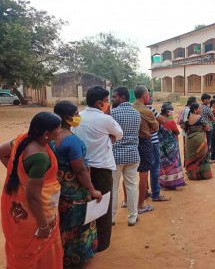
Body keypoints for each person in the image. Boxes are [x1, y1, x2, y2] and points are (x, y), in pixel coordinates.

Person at [0, 112, 63, 268]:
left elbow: (1, 151)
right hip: (36, 215)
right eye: (58, 128)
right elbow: (33, 196)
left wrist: (19, 176)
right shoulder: (39, 157)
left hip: (18, 208)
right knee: (39, 251)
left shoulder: (23, 138)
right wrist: (43, 225)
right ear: (46, 134)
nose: (60, 131)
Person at [51, 101, 102, 266]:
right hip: (74, 191)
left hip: (56, 189)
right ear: (67, 118)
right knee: (78, 222)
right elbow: (80, 170)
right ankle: (75, 258)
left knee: (60, 222)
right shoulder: (72, 141)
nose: (78, 117)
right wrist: (92, 190)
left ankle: (59, 254)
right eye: (76, 114)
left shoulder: (50, 137)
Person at [74, 85, 123, 252]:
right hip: (101, 168)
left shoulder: (78, 116)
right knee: (103, 206)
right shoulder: (105, 119)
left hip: (81, 167)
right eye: (107, 101)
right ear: (99, 103)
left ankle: (84, 241)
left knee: (84, 203)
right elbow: (119, 134)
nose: (108, 104)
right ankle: (102, 242)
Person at [110, 87, 141, 227]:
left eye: (114, 97)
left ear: (122, 97)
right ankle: (133, 217)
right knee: (132, 186)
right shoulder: (136, 114)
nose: (112, 99)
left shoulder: (112, 113)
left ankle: (111, 217)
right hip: (132, 154)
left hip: (115, 156)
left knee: (114, 187)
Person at [133, 85, 159, 214]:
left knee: (130, 174)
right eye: (148, 94)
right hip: (144, 143)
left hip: (132, 143)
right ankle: (140, 204)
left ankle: (128, 201)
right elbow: (155, 127)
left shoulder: (131, 108)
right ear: (144, 96)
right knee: (143, 174)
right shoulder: (146, 111)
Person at [146, 96, 170, 202]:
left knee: (143, 169)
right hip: (153, 141)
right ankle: (155, 194)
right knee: (154, 168)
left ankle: (144, 191)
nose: (150, 97)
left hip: (142, 142)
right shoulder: (150, 109)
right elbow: (162, 121)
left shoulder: (135, 108)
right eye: (148, 95)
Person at [158, 102, 186, 190]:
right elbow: (177, 132)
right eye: (172, 110)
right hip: (172, 146)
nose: (173, 112)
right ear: (167, 112)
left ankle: (164, 184)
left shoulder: (157, 120)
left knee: (164, 163)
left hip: (161, 146)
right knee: (175, 163)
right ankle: (175, 183)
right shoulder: (170, 122)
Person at [184, 103, 212, 180]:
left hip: (190, 139)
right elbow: (206, 128)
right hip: (200, 138)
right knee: (202, 155)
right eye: (199, 108)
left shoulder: (188, 117)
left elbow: (185, 127)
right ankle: (203, 175)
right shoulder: (200, 118)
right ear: (195, 110)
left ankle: (192, 175)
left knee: (191, 155)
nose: (201, 109)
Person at [178, 97, 197, 166]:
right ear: (192, 103)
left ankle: (187, 163)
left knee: (186, 148)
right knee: (189, 149)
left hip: (186, 131)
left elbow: (180, 121)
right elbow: (186, 121)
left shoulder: (185, 109)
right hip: (189, 132)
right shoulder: (188, 110)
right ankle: (189, 164)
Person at [200, 93, 215, 163]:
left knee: (202, 143)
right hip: (208, 127)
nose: (209, 101)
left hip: (201, 127)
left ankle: (202, 158)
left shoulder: (199, 107)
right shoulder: (207, 108)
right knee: (208, 143)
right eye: (208, 99)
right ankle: (208, 158)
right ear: (205, 100)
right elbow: (213, 118)